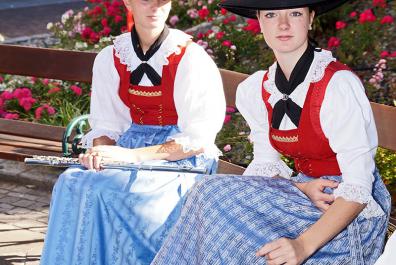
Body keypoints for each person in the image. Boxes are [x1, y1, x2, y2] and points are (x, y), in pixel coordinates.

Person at [151, 0, 391, 264]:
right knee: (208, 194)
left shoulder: (336, 87)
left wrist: (301, 246)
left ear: (311, 19)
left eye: (295, 13)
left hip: (348, 213)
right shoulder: (258, 89)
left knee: (245, 240)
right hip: (306, 194)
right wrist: (302, 188)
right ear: (260, 20)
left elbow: (358, 187)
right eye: (272, 14)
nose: (283, 24)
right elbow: (266, 165)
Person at [40, 0, 225, 264]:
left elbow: (198, 139)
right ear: (128, 2)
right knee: (71, 184)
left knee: (119, 195)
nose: (155, 7)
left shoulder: (191, 59)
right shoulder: (111, 57)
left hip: (180, 157)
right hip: (130, 145)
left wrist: (131, 157)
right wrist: (100, 151)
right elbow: (107, 123)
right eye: (145, 0)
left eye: (163, 0)